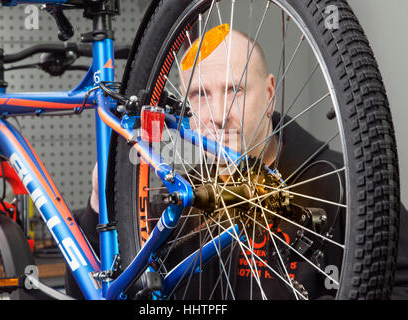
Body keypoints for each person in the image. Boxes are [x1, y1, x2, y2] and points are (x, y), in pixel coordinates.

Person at [65, 29, 408, 300]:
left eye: (235, 90)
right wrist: (100, 203)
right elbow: (91, 291)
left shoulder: (347, 186)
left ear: (270, 92)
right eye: (200, 95)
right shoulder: (169, 191)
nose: (218, 115)